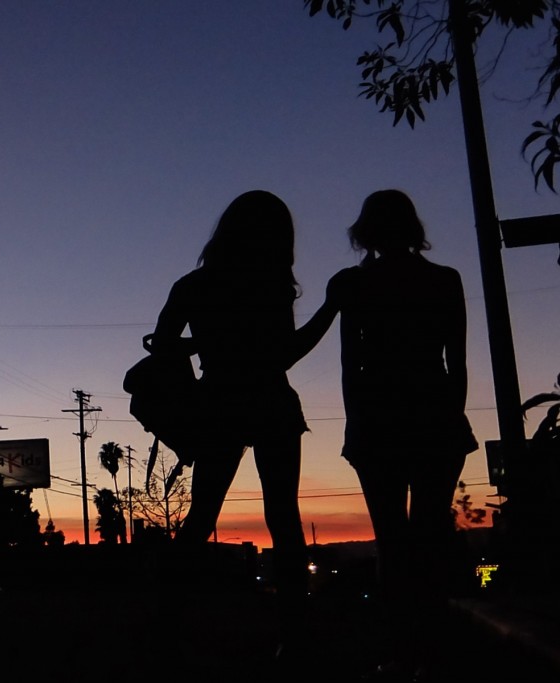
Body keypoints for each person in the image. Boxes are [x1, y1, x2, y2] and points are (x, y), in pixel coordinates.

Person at [151, 190, 325, 661]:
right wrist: (329, 310)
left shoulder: (192, 285)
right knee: (284, 521)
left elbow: (162, 346)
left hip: (219, 403)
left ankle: (167, 627)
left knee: (200, 517)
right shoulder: (268, 284)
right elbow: (285, 353)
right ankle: (294, 636)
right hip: (270, 401)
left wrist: (199, 347)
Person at [325, 190, 478, 680]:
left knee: (392, 541)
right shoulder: (443, 280)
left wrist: (355, 424)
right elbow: (456, 361)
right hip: (433, 412)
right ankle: (432, 650)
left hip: (379, 418)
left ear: (365, 231)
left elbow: (351, 364)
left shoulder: (357, 285)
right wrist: (452, 416)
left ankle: (402, 649)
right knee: (429, 536)